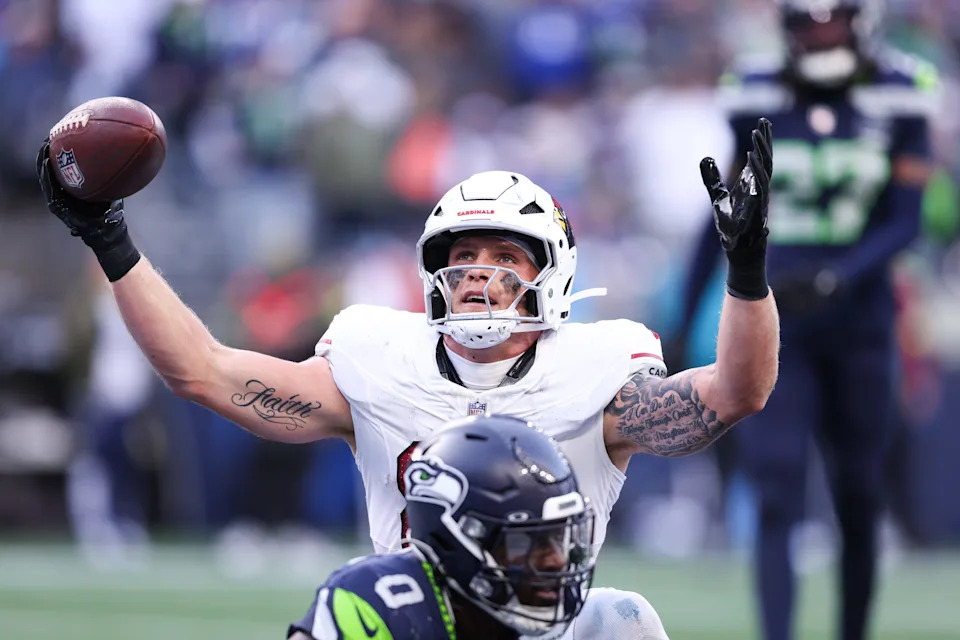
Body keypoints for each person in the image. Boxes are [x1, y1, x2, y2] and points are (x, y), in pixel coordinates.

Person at [36, 113, 778, 635]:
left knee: (624, 620)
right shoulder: (375, 355)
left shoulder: (598, 366)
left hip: (544, 625)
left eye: (505, 259)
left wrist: (745, 273)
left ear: (551, 277)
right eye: (462, 259)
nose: (479, 277)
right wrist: (110, 240)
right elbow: (203, 372)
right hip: (417, 619)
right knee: (356, 605)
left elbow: (735, 393)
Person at [674, 2, 935, 639]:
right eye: (808, 25)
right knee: (776, 486)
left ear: (860, 23)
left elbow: (905, 219)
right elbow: (727, 208)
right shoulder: (756, 91)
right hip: (777, 320)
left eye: (833, 22)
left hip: (861, 322)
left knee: (858, 492)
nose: (821, 36)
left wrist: (840, 275)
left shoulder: (901, 94)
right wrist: (684, 311)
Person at [287, 414, 669, 640]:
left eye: (559, 538)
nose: (555, 561)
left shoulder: (601, 626)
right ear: (458, 540)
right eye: (529, 543)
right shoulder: (384, 603)